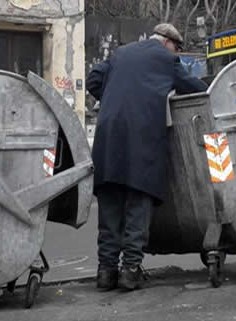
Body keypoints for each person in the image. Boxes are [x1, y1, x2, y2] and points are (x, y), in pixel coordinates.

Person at [86, 23, 208, 291]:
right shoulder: (166, 59)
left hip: (108, 140)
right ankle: (130, 271)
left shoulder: (121, 53)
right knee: (137, 206)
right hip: (141, 141)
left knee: (110, 209)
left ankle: (105, 273)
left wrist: (115, 98)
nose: (177, 52)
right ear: (167, 42)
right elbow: (195, 88)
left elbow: (94, 79)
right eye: (177, 47)